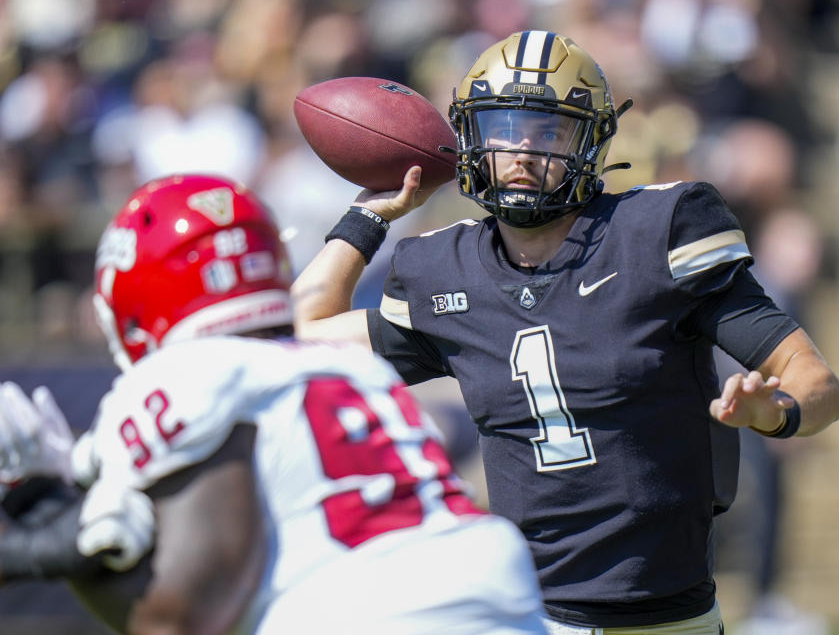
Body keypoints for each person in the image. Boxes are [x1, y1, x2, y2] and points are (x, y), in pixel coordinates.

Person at [292, 30, 839, 634]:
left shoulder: (658, 232)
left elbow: (821, 385)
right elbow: (306, 332)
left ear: (593, 141)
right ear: (470, 140)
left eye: (549, 130)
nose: (523, 151)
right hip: (529, 615)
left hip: (665, 616)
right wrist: (369, 215)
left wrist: (775, 410)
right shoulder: (439, 269)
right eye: (503, 128)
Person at [0, 173, 547, 634]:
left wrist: (40, 510)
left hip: (367, 612)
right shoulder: (346, 365)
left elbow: (184, 613)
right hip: (502, 588)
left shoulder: (189, 372)